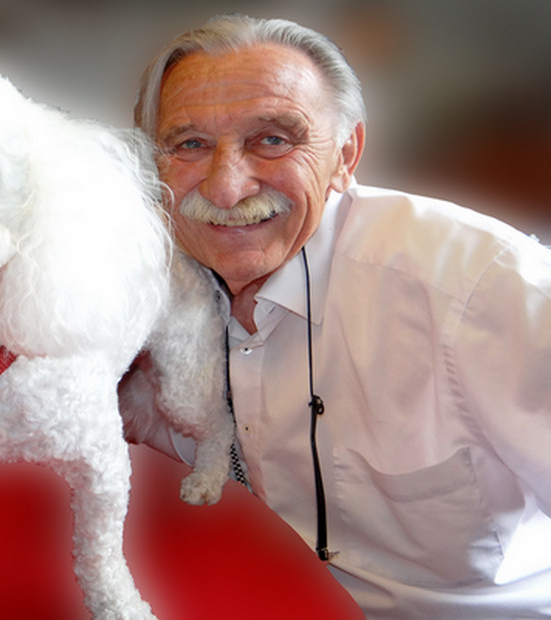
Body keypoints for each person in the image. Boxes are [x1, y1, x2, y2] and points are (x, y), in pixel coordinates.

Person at [127, 13, 551, 618]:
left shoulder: (478, 286)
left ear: (346, 155)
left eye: (272, 139)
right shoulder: (119, 290)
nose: (225, 187)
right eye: (190, 144)